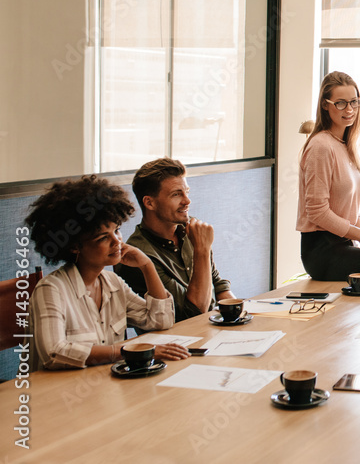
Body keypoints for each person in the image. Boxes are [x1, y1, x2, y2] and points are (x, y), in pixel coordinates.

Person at [25, 175, 189, 371]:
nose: (117, 241)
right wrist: (126, 350)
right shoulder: (51, 290)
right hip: (54, 394)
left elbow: (160, 320)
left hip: (102, 387)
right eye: (104, 237)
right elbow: (54, 353)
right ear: (74, 246)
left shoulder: (112, 283)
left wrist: (147, 265)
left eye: (117, 230)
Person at [296, 71, 360, 281]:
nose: (349, 109)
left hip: (343, 244)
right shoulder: (321, 146)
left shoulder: (345, 146)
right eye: (340, 103)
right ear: (325, 104)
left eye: (354, 102)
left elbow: (351, 210)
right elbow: (317, 212)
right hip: (321, 252)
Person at [115, 158, 235, 321]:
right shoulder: (137, 257)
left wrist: (240, 314)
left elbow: (217, 284)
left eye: (186, 192)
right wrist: (202, 250)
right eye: (176, 194)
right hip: (177, 341)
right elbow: (192, 314)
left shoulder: (190, 230)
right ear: (149, 203)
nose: (187, 201)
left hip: (213, 329)